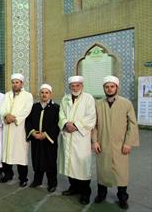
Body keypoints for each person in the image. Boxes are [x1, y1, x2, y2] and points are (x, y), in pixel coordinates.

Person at [92, 76, 139, 209]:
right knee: (102, 170)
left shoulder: (126, 103)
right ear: (104, 88)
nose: (109, 89)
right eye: (107, 86)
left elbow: (132, 124)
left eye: (112, 86)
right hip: (103, 144)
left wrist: (128, 143)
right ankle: (101, 194)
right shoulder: (98, 104)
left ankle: (122, 197)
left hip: (120, 145)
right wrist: (94, 141)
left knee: (121, 173)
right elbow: (94, 125)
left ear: (117, 87)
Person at [58, 75, 96, 205]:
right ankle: (73, 187)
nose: (75, 88)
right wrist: (65, 124)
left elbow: (91, 117)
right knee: (69, 164)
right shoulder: (65, 98)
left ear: (82, 86)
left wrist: (75, 125)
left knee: (82, 166)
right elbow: (61, 114)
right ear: (69, 87)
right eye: (72, 86)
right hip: (67, 136)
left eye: (77, 85)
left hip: (81, 137)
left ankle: (85, 192)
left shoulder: (88, 98)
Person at [0, 73, 33, 187]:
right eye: (13, 82)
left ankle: (23, 178)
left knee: (20, 154)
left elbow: (26, 111)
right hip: (7, 129)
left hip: (20, 129)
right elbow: (1, 108)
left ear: (22, 84)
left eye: (17, 82)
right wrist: (5, 115)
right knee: (7, 153)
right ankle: (8, 174)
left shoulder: (28, 96)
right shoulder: (7, 95)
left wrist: (14, 118)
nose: (14, 84)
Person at [25, 84, 60, 192]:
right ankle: (37, 180)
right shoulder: (35, 107)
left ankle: (52, 183)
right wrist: (33, 133)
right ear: (40, 94)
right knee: (37, 160)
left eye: (46, 92)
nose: (44, 95)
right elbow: (28, 121)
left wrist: (45, 134)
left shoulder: (56, 108)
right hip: (36, 139)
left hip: (49, 140)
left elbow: (57, 124)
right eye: (42, 92)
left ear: (50, 94)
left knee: (50, 161)